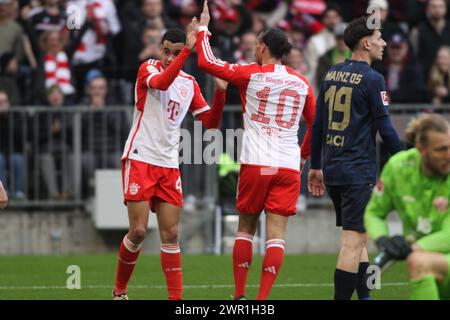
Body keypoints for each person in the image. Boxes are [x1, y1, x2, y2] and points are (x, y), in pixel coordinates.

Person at [196, 0, 316, 300]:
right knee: (276, 237)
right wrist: (303, 155)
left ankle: (239, 296)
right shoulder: (302, 84)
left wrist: (202, 29)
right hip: (287, 166)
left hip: (255, 162)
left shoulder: (250, 74)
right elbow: (318, 126)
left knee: (246, 228)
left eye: (257, 44)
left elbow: (207, 63)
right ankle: (262, 300)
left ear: (262, 47)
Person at [113, 23, 228, 300]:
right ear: (160, 48)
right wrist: (187, 51)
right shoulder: (148, 69)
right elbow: (163, 83)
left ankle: (176, 300)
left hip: (167, 164)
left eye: (174, 53)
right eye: (166, 51)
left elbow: (210, 125)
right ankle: (120, 292)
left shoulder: (189, 83)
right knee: (139, 231)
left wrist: (221, 93)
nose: (168, 57)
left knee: (172, 234)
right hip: (140, 157)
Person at [308, 16, 402, 300]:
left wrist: (315, 166)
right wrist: (406, 159)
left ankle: (365, 296)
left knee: (358, 238)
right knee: (351, 243)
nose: (383, 43)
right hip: (357, 170)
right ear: (366, 43)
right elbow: (385, 128)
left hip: (334, 169)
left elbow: (318, 125)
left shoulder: (331, 73)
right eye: (379, 38)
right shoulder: (374, 79)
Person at [365, 113, 450, 300]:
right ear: (421, 149)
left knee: (418, 262)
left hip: (429, 256)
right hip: (430, 261)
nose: (448, 155)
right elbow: (374, 213)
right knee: (419, 262)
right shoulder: (398, 168)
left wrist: (411, 247)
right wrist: (383, 240)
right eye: (441, 149)